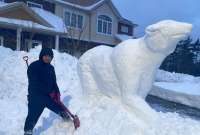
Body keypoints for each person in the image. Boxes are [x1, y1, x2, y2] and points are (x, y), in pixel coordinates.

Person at [24, 48, 79, 135]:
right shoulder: (34, 66)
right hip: (36, 97)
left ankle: (68, 121)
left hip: (48, 97)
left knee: (59, 108)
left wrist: (56, 92)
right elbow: (34, 83)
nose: (47, 58)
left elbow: (54, 82)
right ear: (42, 56)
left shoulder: (51, 68)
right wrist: (47, 91)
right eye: (45, 56)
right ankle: (28, 132)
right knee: (32, 117)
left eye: (49, 56)